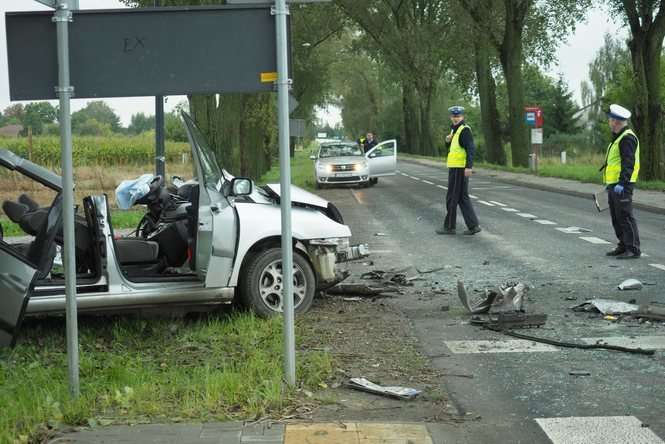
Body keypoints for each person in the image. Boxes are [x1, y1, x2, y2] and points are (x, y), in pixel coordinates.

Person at [602, 104, 641, 259]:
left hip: (622, 185)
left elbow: (628, 163)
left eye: (610, 120)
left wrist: (622, 182)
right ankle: (623, 245)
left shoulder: (627, 138)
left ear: (616, 122)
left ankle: (633, 249)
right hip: (614, 184)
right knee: (617, 217)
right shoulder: (619, 137)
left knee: (625, 216)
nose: (609, 123)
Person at [436, 106, 481, 235]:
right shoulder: (454, 130)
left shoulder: (464, 130)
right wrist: (447, 141)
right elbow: (453, 149)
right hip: (455, 167)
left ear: (462, 117)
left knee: (452, 197)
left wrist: (468, 167)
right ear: (451, 117)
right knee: (462, 197)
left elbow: (470, 149)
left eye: (458, 116)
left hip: (459, 169)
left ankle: (450, 227)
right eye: (454, 116)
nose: (456, 118)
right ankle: (473, 226)